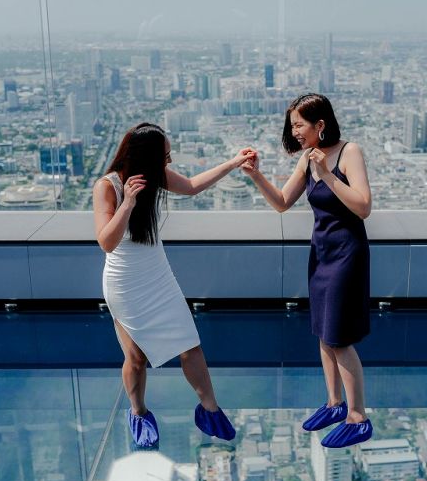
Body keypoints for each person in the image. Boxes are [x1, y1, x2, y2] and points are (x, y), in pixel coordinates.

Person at [93, 122, 255, 448]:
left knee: (189, 345)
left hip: (157, 276)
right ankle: (138, 413)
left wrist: (234, 162)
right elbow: (106, 242)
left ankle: (210, 410)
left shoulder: (156, 176)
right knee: (136, 358)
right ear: (145, 157)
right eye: (164, 156)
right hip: (124, 283)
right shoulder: (107, 186)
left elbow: (193, 185)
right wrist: (128, 203)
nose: (168, 162)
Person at [242, 93, 373, 448]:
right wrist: (256, 176)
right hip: (321, 252)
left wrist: (327, 175)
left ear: (320, 124)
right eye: (292, 125)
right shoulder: (306, 159)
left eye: (299, 124)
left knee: (339, 336)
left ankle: (357, 416)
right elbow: (282, 202)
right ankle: (334, 403)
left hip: (347, 253)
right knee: (323, 331)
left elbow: (363, 206)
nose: (294, 131)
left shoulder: (349, 152)